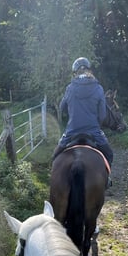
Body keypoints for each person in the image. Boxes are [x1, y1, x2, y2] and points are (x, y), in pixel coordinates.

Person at [53, 57, 114, 187]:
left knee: (55, 156)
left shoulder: (70, 88)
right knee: (109, 153)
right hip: (93, 131)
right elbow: (102, 115)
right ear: (89, 70)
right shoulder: (98, 88)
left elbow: (62, 108)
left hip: (71, 132)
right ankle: (107, 179)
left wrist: (72, 115)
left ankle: (54, 179)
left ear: (75, 73)